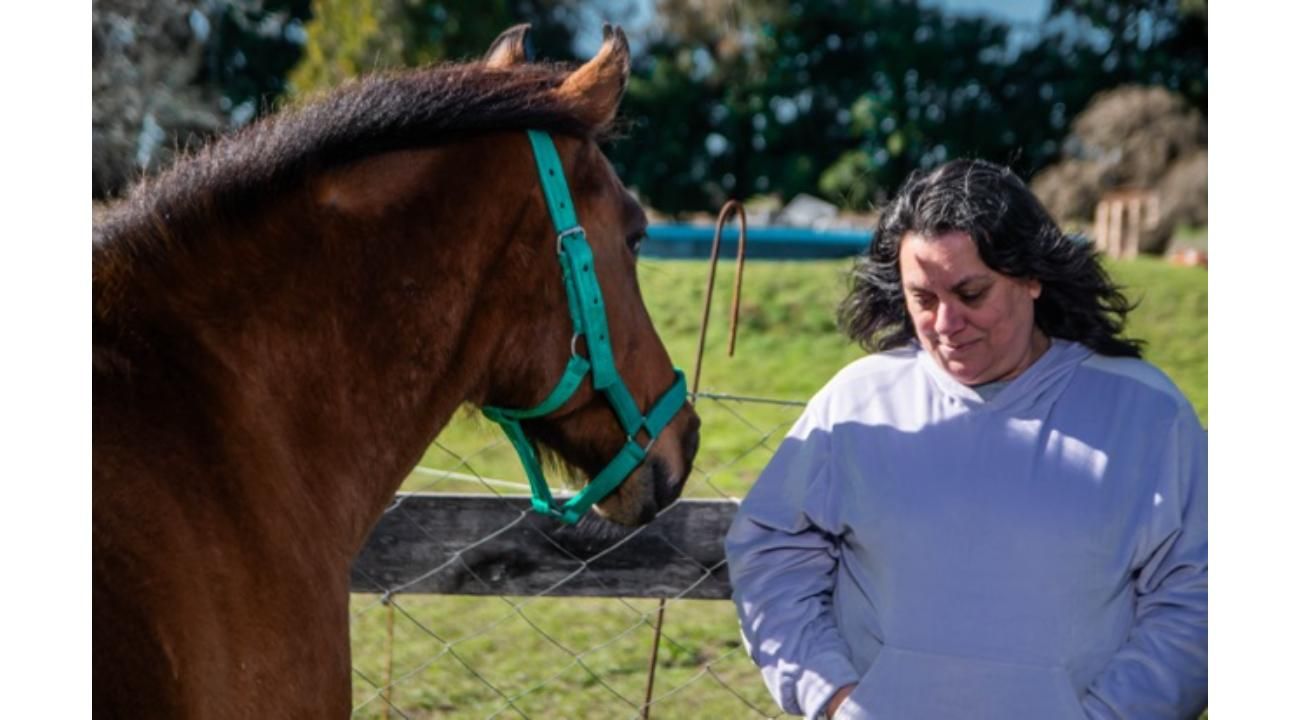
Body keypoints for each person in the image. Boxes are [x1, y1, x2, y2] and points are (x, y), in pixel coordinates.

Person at [725, 159, 1207, 720]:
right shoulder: (855, 403)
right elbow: (770, 557)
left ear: (1032, 277)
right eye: (923, 299)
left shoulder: (1146, 413)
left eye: (971, 293)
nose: (945, 324)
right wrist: (831, 696)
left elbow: (1200, 596)